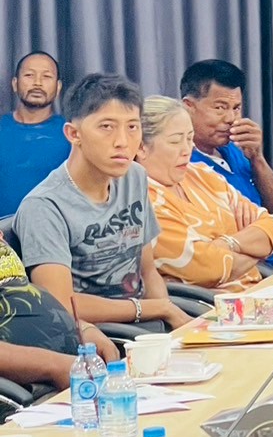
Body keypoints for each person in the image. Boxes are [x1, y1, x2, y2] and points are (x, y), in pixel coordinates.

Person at [15, 73, 191, 332]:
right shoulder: (43, 206)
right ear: (73, 134)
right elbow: (61, 304)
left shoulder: (133, 176)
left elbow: (147, 271)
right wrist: (155, 309)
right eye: (107, 127)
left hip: (147, 326)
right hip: (98, 335)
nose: (122, 142)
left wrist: (172, 328)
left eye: (132, 127)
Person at [138, 96, 273, 290]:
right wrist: (254, 250)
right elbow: (209, 269)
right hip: (211, 304)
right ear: (141, 147)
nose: (187, 150)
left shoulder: (201, 173)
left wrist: (227, 244)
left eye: (190, 139)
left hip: (260, 290)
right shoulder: (141, 200)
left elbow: (270, 227)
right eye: (175, 141)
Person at [179, 59, 273, 267]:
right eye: (220, 108)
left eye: (236, 108)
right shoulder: (182, 162)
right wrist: (271, 239)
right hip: (251, 269)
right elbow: (209, 240)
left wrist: (257, 157)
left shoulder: (233, 147)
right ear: (188, 107)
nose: (231, 118)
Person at [0, 235, 120, 393]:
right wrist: (54, 366)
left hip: (76, 372)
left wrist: (83, 329)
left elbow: (19, 291)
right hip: (31, 390)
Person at [0, 51, 71, 218]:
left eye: (46, 76)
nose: (37, 83)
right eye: (29, 75)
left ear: (58, 87)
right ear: (15, 84)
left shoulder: (72, 135)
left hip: (52, 229)